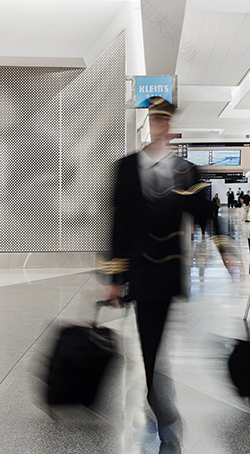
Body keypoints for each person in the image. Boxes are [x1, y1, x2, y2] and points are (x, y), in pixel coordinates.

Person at [101, 99, 238, 452]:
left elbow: (205, 213)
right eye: (156, 120)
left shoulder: (185, 171)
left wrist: (224, 246)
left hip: (169, 269)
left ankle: (157, 395)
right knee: (150, 342)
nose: (161, 126)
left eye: (166, 120)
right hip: (140, 268)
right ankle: (161, 405)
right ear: (149, 124)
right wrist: (114, 277)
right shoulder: (128, 168)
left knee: (158, 340)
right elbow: (118, 223)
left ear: (171, 124)